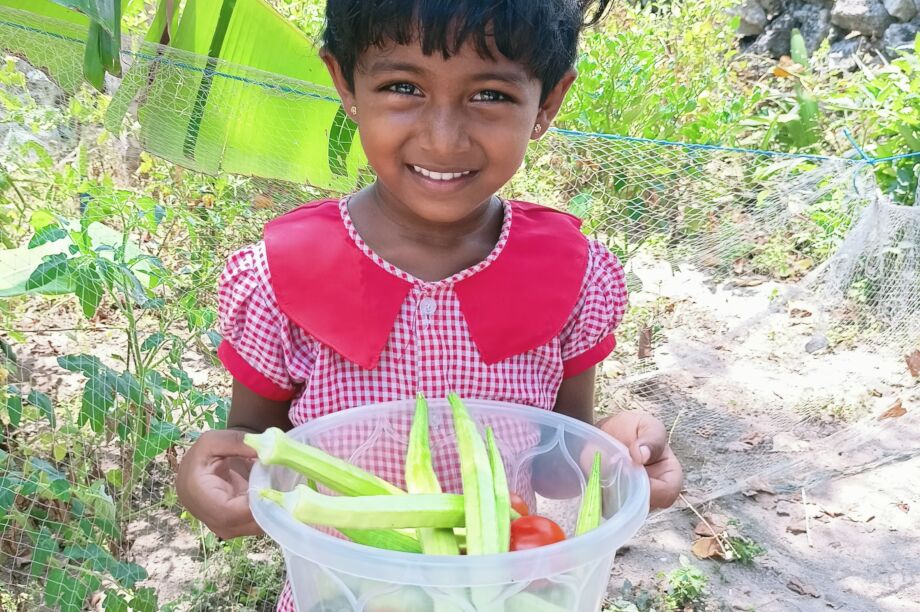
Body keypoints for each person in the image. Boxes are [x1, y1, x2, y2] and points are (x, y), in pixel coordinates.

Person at [176, 0, 683, 608]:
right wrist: (219, 471)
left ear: (548, 102)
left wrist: (617, 452)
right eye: (403, 87)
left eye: (490, 95)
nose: (443, 138)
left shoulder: (570, 275)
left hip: (503, 593)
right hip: (344, 594)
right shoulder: (280, 277)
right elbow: (258, 444)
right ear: (345, 83)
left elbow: (556, 464)